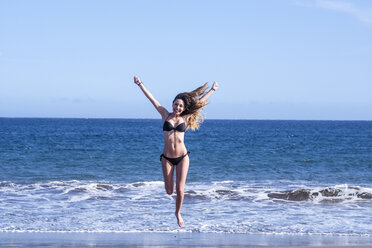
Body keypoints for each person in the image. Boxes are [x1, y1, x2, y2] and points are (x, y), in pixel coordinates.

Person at [133, 75, 219, 227]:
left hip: (182, 157)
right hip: (166, 158)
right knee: (168, 191)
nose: (177, 107)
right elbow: (152, 99)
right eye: (176, 104)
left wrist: (212, 89)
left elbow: (200, 103)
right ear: (172, 104)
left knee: (180, 190)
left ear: (184, 108)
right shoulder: (165, 115)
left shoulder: (185, 118)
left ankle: (178, 213)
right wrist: (140, 84)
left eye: (180, 106)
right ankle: (173, 200)